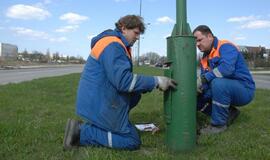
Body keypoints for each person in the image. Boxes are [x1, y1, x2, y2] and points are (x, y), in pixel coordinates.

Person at [63, 15, 177, 150]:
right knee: (131, 141)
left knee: (135, 95)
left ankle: (99, 126)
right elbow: (123, 81)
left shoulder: (114, 43)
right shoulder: (113, 45)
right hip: (99, 103)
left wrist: (149, 85)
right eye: (135, 33)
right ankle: (81, 133)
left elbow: (123, 79)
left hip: (96, 98)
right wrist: (156, 81)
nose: (137, 37)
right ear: (123, 28)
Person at [193, 25, 255, 134]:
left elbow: (227, 69)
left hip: (244, 90)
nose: (197, 44)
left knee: (218, 83)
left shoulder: (225, 46)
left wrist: (203, 80)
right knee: (198, 100)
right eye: (195, 42)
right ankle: (230, 113)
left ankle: (218, 125)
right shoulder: (204, 57)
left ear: (210, 36)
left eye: (199, 40)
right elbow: (207, 82)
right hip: (224, 88)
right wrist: (200, 90)